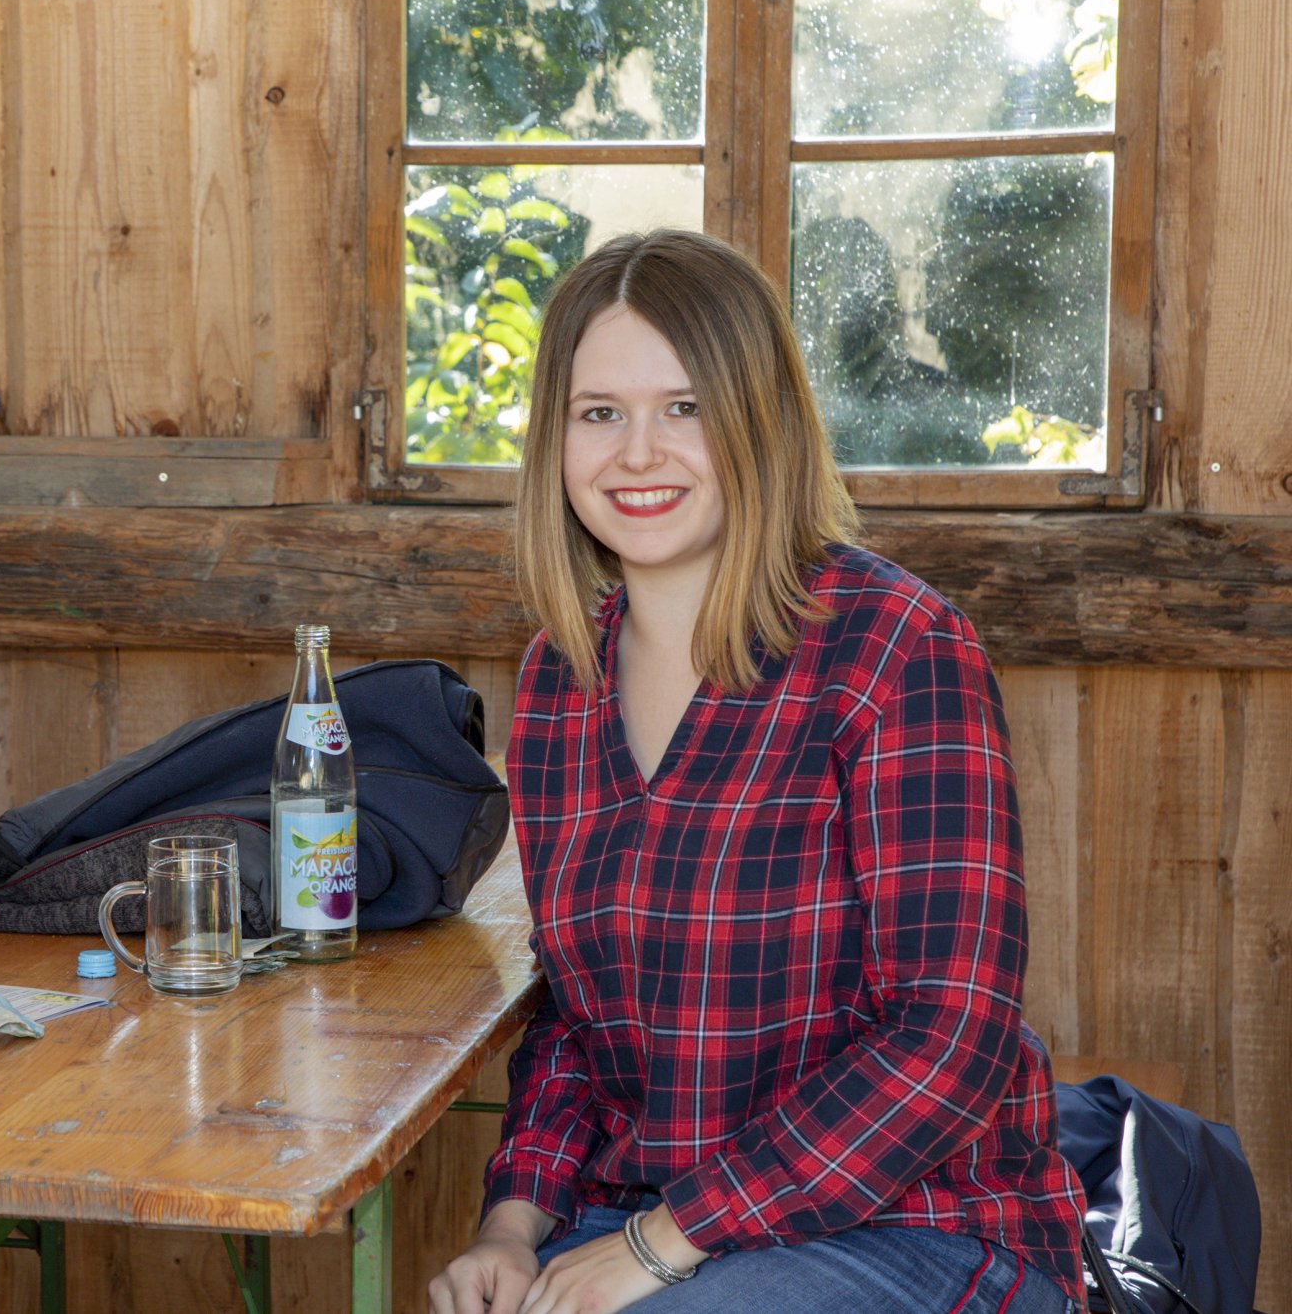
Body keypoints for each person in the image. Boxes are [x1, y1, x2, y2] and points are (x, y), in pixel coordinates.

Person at [428, 230, 1086, 1314]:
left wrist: (656, 1247)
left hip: (911, 1228)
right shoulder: (560, 677)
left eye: (684, 408)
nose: (639, 453)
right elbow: (580, 1026)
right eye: (600, 413)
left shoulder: (893, 646)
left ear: (759, 421)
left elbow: (948, 1037)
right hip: (648, 1220)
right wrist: (511, 1226)